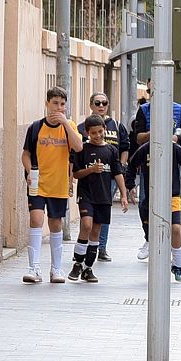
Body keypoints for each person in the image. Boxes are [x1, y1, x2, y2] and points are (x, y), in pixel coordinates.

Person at [129, 89, 181, 282]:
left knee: (175, 228)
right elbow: (132, 161)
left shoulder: (179, 114)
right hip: (150, 189)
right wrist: (131, 185)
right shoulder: (144, 113)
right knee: (146, 212)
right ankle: (149, 240)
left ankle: (178, 265)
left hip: (171, 192)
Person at [21, 86, 83, 284]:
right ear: (47, 103)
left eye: (62, 104)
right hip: (38, 182)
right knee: (36, 219)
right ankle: (34, 268)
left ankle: (56, 269)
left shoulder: (70, 126)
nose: (58, 107)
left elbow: (78, 146)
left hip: (58, 183)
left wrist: (65, 123)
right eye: (55, 103)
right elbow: (26, 154)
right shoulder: (36, 127)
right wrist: (29, 170)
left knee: (55, 224)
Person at [70, 115, 128, 283]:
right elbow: (76, 173)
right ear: (87, 133)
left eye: (100, 132)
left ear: (104, 130)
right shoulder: (83, 149)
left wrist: (123, 195)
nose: (97, 135)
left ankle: (88, 268)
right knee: (86, 225)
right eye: (93, 133)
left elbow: (117, 173)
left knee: (96, 230)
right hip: (87, 193)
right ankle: (77, 263)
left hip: (104, 196)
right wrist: (91, 170)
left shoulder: (111, 150)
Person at [86, 92, 126, 262]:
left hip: (110, 175)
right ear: (91, 105)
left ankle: (101, 247)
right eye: (97, 103)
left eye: (104, 103)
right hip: (89, 177)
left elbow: (125, 146)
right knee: (88, 215)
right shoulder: (84, 126)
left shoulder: (116, 125)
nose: (101, 106)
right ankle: (88, 245)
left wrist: (122, 165)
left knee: (103, 211)